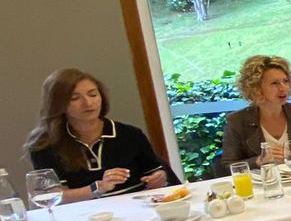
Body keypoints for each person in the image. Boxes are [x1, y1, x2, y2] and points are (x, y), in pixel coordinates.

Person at [25, 68, 180, 203]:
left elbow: (155, 172)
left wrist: (158, 178)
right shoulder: (45, 144)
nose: (88, 103)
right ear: (58, 103)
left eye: (93, 95)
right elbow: (54, 197)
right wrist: (97, 188)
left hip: (137, 208)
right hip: (84, 217)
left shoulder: (130, 134)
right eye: (75, 98)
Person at [221, 55, 291, 173]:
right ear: (256, 88)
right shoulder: (237, 121)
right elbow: (227, 167)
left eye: (285, 81)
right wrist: (259, 160)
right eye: (274, 83)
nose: (283, 88)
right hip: (264, 183)